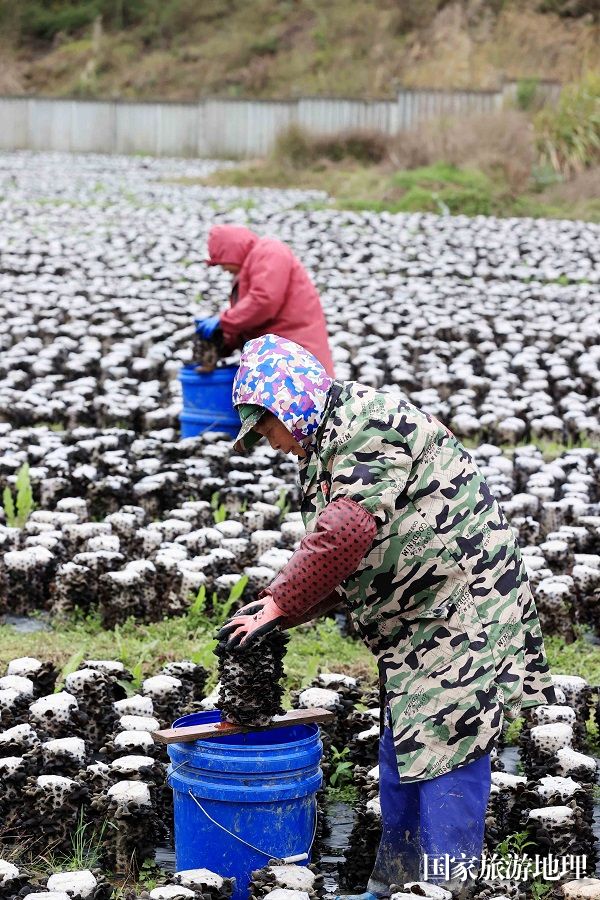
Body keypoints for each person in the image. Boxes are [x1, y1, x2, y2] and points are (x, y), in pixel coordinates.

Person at [218, 333, 556, 897]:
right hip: (419, 613)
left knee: (448, 739)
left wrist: (282, 601)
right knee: (405, 740)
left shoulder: (364, 426)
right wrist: (280, 612)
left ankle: (451, 884)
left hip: (463, 605)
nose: (271, 445)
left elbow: (346, 529)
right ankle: (395, 881)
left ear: (289, 406)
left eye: (267, 428)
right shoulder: (328, 444)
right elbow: (351, 558)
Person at [196, 224, 335, 376]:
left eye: (222, 263)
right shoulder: (248, 268)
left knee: (303, 396)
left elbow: (264, 300)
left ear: (231, 252)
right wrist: (223, 339)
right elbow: (248, 319)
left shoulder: (269, 251)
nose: (224, 269)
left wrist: (224, 321)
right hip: (280, 356)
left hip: (297, 354)